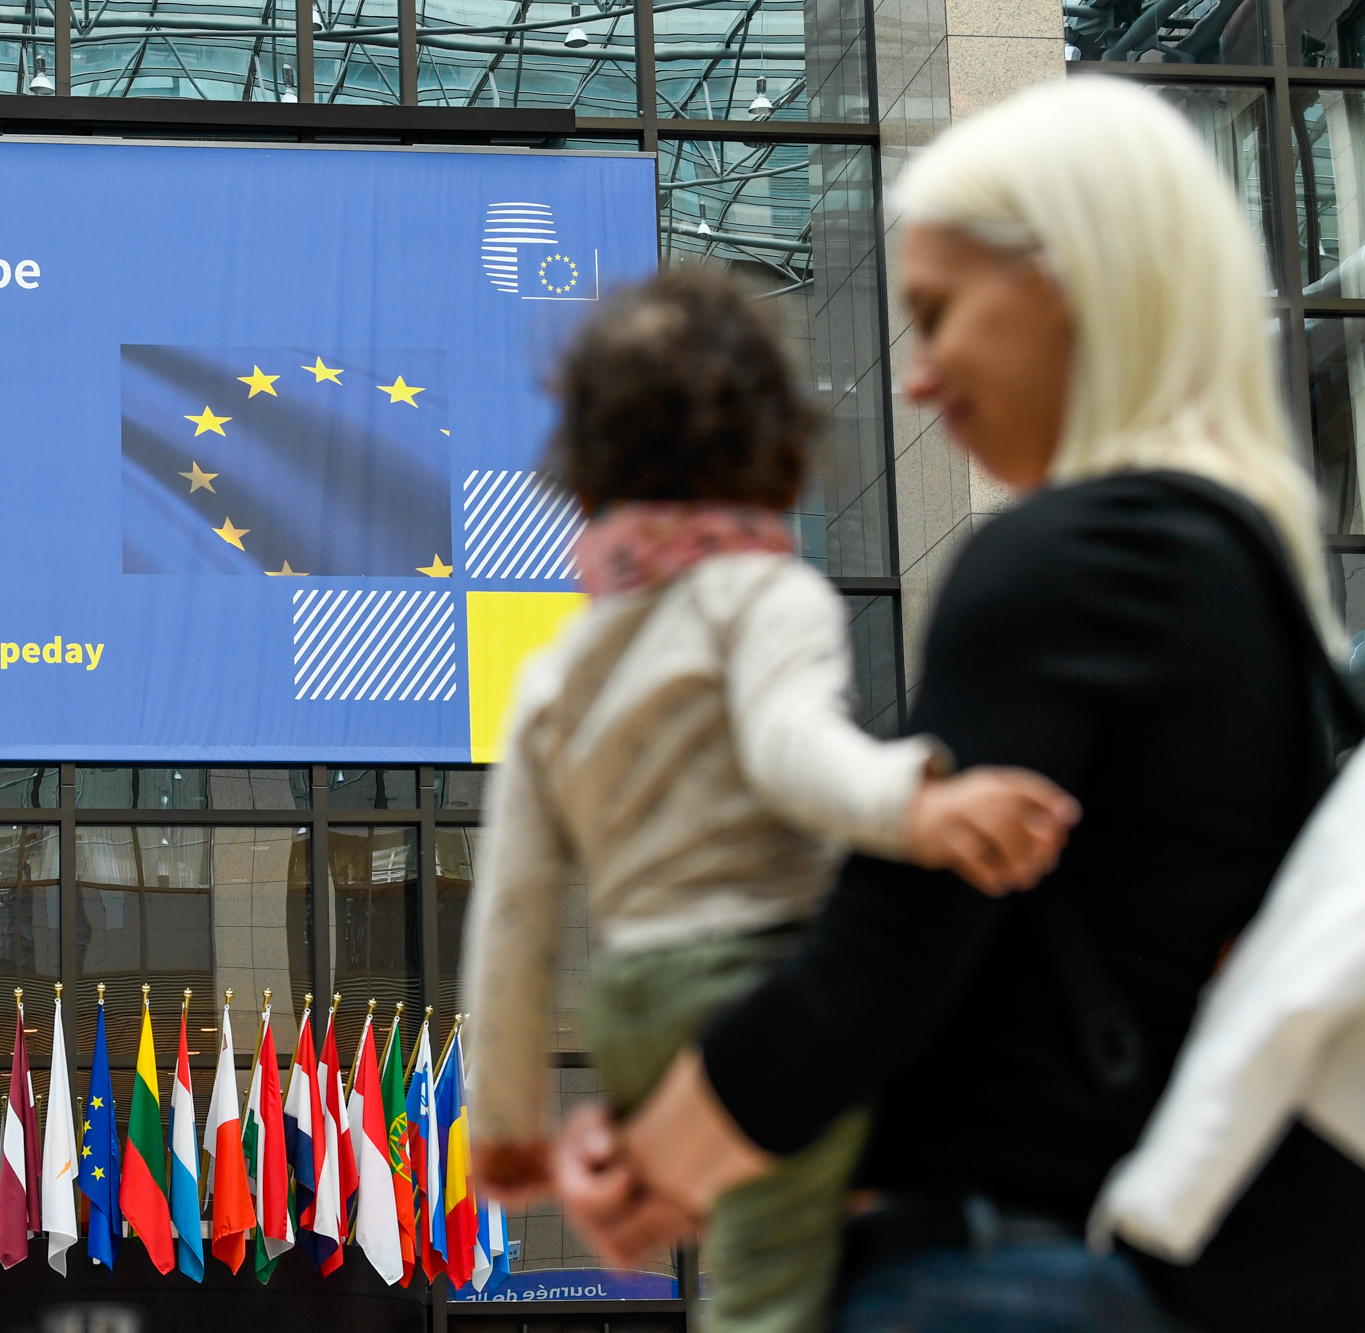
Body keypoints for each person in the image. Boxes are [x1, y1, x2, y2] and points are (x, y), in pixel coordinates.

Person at [547, 77, 1365, 1333]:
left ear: (1070, 278)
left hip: (993, 1276)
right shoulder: (1258, 588)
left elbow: (889, 945)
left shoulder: (1063, 560)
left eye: (936, 313)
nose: (915, 380)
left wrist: (658, 1155)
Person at [460, 269, 1080, 1333]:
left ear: (587, 466)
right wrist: (917, 802)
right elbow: (793, 748)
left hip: (632, 1001)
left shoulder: (558, 669)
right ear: (777, 442)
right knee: (766, 1289)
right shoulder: (766, 596)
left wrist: (507, 1126)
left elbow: (512, 910)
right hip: (755, 981)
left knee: (768, 1240)